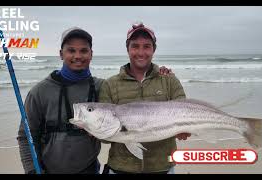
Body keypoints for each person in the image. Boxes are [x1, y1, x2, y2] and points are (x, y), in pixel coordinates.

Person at [17, 27, 173, 174]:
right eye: (71, 50)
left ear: (91, 54)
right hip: (47, 170)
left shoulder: (102, 86)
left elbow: (136, 107)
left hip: (90, 169)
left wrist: (157, 73)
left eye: (83, 51)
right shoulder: (39, 92)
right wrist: (32, 170)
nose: (77, 56)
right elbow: (26, 136)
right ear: (61, 53)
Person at [99, 22, 191, 174]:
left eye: (146, 46)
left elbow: (184, 110)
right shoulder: (110, 84)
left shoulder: (169, 80)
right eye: (135, 46)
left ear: (154, 49)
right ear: (127, 49)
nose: (141, 52)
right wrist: (94, 128)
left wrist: (184, 130)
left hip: (163, 168)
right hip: (120, 168)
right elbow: (106, 138)